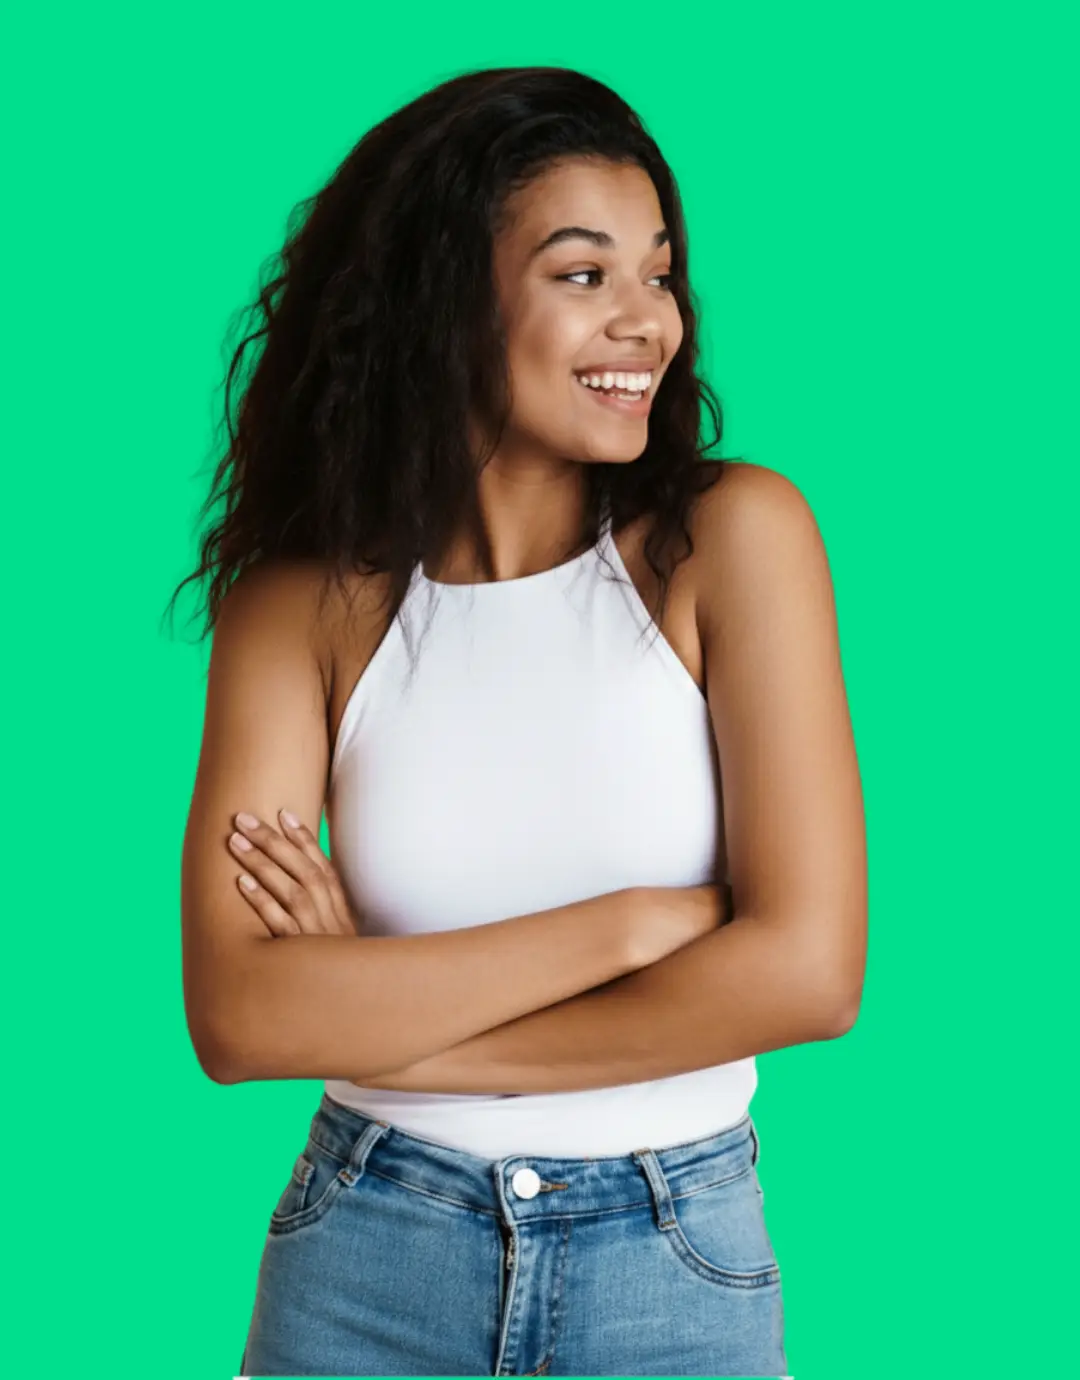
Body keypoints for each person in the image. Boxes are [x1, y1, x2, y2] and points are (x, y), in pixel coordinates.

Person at [171, 65, 866, 1378]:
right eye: (583, 274)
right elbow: (244, 1016)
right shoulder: (302, 606)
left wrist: (389, 1021)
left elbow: (808, 975)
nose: (647, 323)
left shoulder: (729, 541)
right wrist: (636, 924)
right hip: (366, 1254)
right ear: (447, 301)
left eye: (658, 272)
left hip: (672, 1259)